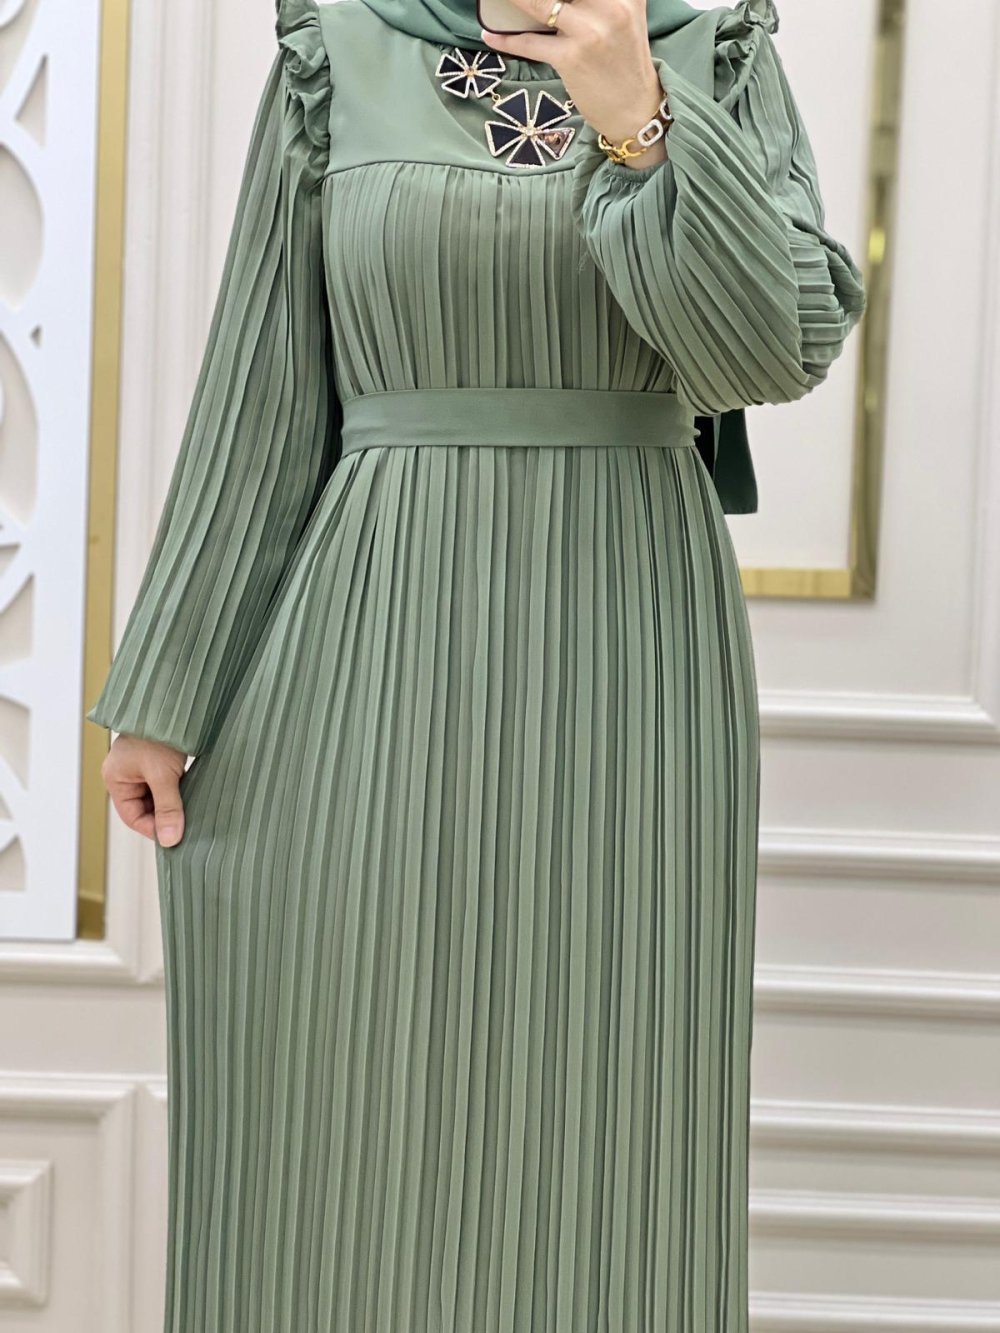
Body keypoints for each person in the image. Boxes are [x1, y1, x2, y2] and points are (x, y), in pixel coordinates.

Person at [87, 0, 866, 1325]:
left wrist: (641, 120)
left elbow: (766, 352)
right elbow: (266, 380)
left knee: (612, 1134)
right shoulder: (336, 44)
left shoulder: (714, 45)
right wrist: (167, 688)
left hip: (627, 661)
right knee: (331, 1141)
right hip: (357, 656)